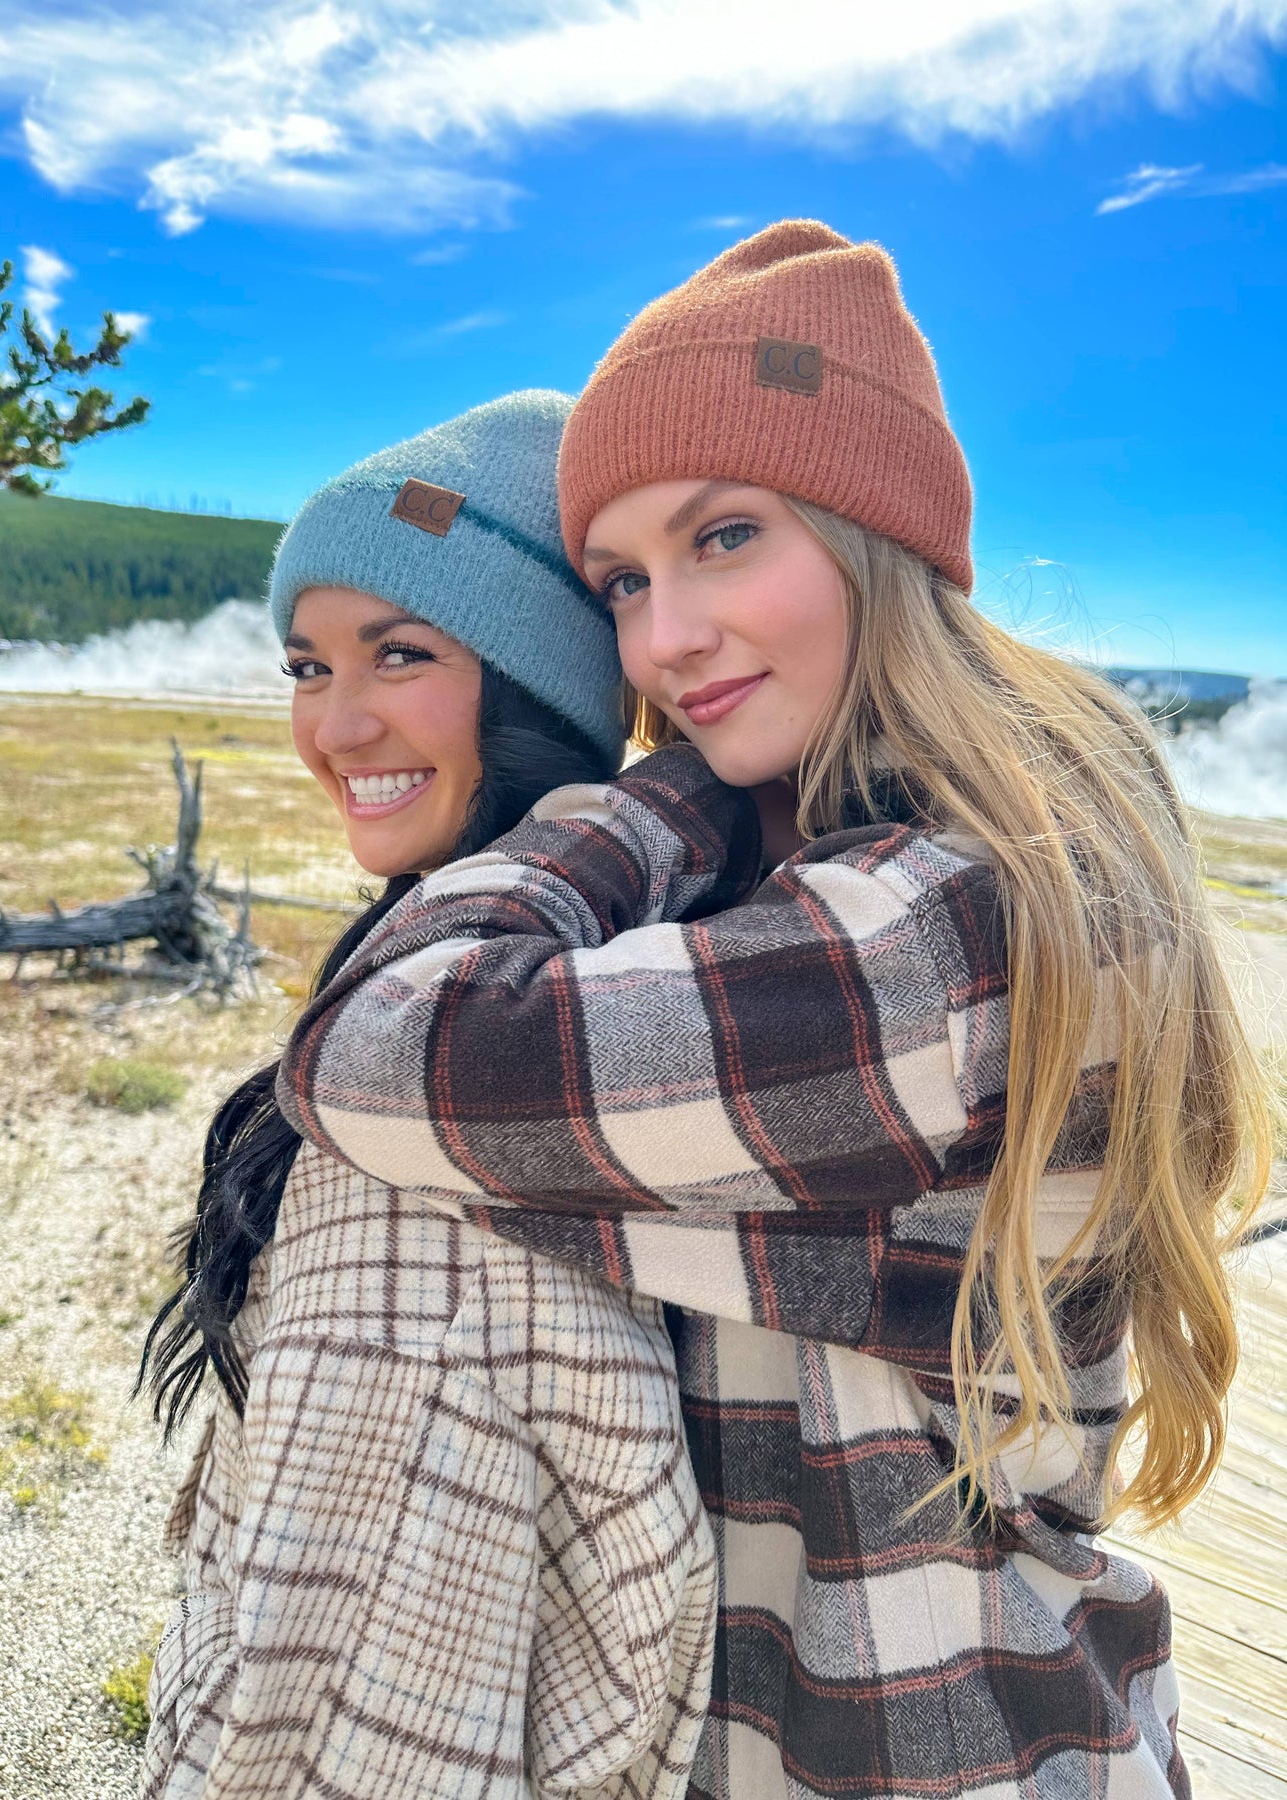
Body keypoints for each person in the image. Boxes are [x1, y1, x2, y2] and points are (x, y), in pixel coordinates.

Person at [277, 224, 1273, 1799]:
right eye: (621, 582)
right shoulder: (845, 874)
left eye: (725, 537)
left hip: (931, 1754)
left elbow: (378, 1049)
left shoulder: (945, 928)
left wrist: (653, 786)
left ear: (879, 534)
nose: (662, 639)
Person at [138, 391, 717, 1800]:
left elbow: (340, 1725)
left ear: (540, 686)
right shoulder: (585, 971)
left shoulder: (423, 1141)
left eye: (400, 654)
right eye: (305, 665)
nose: (336, 725)